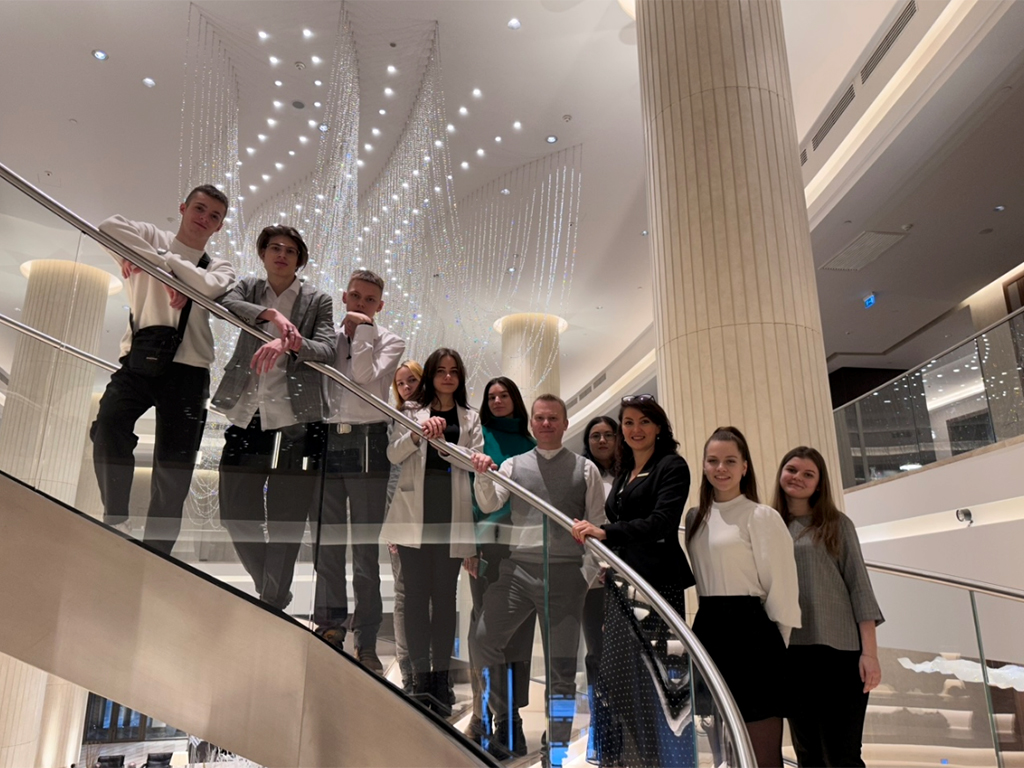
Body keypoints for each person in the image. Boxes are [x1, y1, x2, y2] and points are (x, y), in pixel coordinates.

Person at [91, 185, 236, 554]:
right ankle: (115, 517)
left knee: (175, 467)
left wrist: (158, 265)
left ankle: (157, 554)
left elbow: (209, 287)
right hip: (138, 360)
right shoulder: (151, 236)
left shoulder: (218, 265)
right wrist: (162, 262)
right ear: (183, 208)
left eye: (214, 216)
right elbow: (108, 226)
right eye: (199, 208)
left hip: (190, 371)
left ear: (219, 226)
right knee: (108, 424)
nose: (204, 218)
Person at [472, 394, 607, 766]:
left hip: (566, 578)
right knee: (483, 640)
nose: (546, 424)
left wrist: (585, 576)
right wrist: (482, 474)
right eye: (540, 418)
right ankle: (504, 715)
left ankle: (557, 747)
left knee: (561, 671)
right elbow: (489, 503)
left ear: (565, 424)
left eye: (553, 418)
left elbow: (597, 525)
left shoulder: (586, 470)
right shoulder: (513, 465)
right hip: (517, 572)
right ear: (531, 423)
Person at [212, 225, 335, 611]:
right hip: (247, 414)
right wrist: (272, 316)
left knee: (286, 519)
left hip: (296, 422)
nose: (282, 255)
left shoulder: (317, 300)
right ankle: (275, 591)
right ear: (263, 253)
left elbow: (327, 348)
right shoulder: (249, 288)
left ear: (300, 260)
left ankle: (270, 601)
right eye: (275, 248)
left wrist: (289, 342)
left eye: (291, 251)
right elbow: (227, 302)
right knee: (234, 513)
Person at [572, 397, 694, 767]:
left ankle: (662, 760)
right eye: (628, 422)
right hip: (622, 583)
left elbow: (661, 523)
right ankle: (622, 759)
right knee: (617, 677)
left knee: (657, 680)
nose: (635, 429)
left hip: (657, 585)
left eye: (644, 422)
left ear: (659, 427)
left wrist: (606, 532)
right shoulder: (625, 470)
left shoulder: (672, 466)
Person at [684, 426, 800, 768]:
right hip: (708, 628)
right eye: (713, 460)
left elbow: (782, 587)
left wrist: (777, 644)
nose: (721, 468)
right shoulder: (695, 517)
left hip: (753, 634)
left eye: (730, 461)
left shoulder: (760, 516)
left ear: (745, 467)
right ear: (703, 465)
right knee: (723, 748)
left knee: (762, 753)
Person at [314, 269, 406, 674]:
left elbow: (362, 376)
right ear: (344, 296)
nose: (361, 304)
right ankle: (330, 629)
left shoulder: (391, 340)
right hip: (327, 440)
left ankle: (366, 642)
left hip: (369, 442)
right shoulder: (326, 336)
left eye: (370, 300)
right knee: (328, 548)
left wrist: (363, 331)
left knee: (366, 555)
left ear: (380, 305)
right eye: (356, 296)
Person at [382, 348, 482, 715]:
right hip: (414, 517)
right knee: (414, 599)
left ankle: (441, 679)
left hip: (451, 518)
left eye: (454, 371)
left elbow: (473, 461)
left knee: (444, 599)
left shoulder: (470, 416)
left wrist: (443, 445)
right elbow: (393, 454)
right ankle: (420, 677)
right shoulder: (411, 410)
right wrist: (417, 436)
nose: (448, 377)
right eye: (441, 371)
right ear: (431, 375)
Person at [773, 446, 884, 768]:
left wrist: (870, 654)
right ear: (781, 474)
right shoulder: (769, 526)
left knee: (844, 755)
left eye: (808, 474)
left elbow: (860, 589)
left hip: (841, 654)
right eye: (792, 469)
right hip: (792, 652)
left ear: (819, 483)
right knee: (808, 754)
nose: (798, 477)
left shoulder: (837, 524)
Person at [463, 377, 537, 744]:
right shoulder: (478, 439)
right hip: (487, 547)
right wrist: (469, 546)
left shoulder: (531, 445)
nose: (496, 401)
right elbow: (467, 495)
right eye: (491, 396)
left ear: (515, 399)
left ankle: (510, 722)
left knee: (517, 639)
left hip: (524, 548)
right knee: (483, 634)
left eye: (503, 395)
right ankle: (484, 716)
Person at [387, 360, 423, 691]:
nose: (406, 387)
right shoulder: (395, 417)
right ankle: (408, 670)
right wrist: (392, 524)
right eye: (400, 383)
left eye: (411, 380)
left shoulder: (440, 412)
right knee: (403, 594)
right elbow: (392, 470)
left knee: (430, 597)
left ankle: (429, 670)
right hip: (402, 519)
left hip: (432, 517)